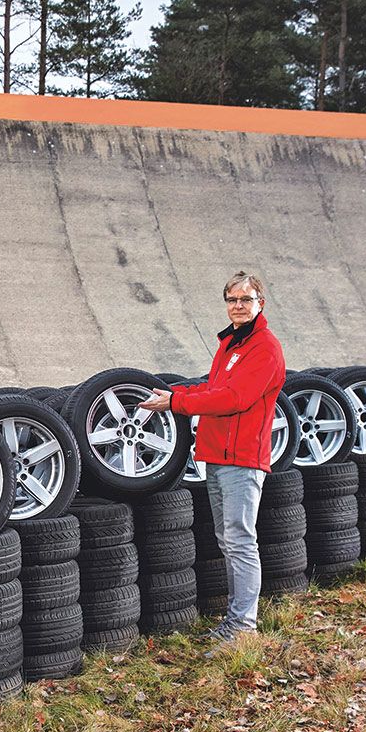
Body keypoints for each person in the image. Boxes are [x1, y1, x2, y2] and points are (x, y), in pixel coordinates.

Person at [139, 271, 286, 642]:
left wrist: (176, 401)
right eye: (232, 300)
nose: (238, 306)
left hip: (243, 459)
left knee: (239, 541)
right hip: (218, 456)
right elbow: (213, 387)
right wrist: (175, 392)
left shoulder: (264, 347)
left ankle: (243, 628)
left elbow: (234, 398)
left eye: (245, 300)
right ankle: (234, 623)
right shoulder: (230, 345)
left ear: (260, 304)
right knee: (229, 540)